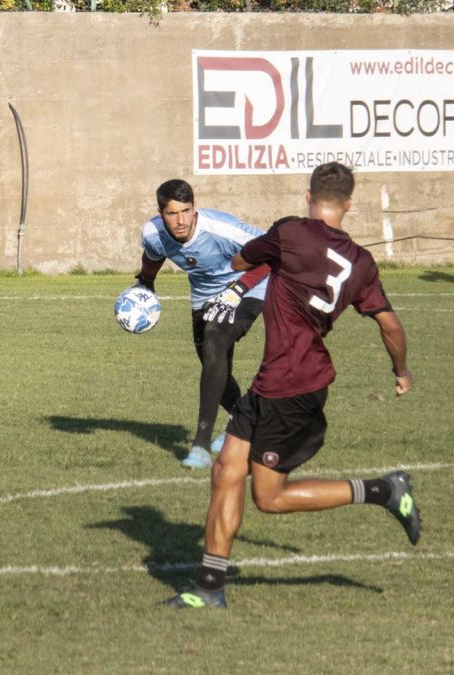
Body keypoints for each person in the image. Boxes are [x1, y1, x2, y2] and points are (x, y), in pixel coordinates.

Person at [164, 162, 420, 609]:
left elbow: (240, 260)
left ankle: (384, 490)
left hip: (295, 387)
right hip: (271, 382)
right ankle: (208, 588)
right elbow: (391, 325)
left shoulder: (291, 233)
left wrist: (267, 256)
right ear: (349, 204)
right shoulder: (362, 262)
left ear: (308, 196)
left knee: (270, 497)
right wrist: (401, 371)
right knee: (226, 471)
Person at [135, 179, 268, 470]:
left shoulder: (222, 229)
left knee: (214, 340)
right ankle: (244, 422)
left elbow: (270, 253)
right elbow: (153, 255)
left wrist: (237, 291)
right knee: (212, 363)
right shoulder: (153, 233)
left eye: (186, 211)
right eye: (172, 213)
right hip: (204, 295)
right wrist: (146, 281)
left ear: (194, 209)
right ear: (161, 213)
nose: (181, 220)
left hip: (248, 287)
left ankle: (201, 445)